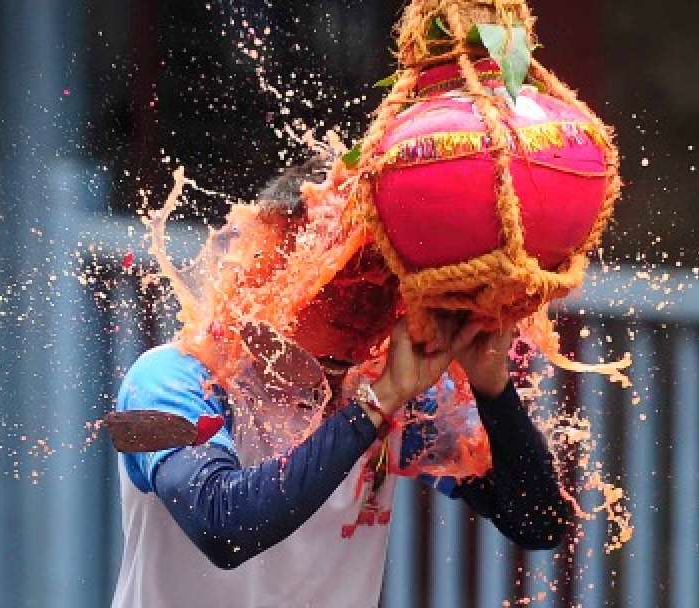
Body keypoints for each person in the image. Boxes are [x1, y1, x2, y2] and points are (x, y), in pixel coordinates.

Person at [110, 160, 575, 608]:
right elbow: (225, 526)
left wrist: (492, 388)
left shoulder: (392, 394)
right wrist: (378, 404)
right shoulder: (173, 378)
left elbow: (539, 523)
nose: (361, 305)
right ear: (272, 273)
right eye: (339, 280)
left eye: (383, 282)